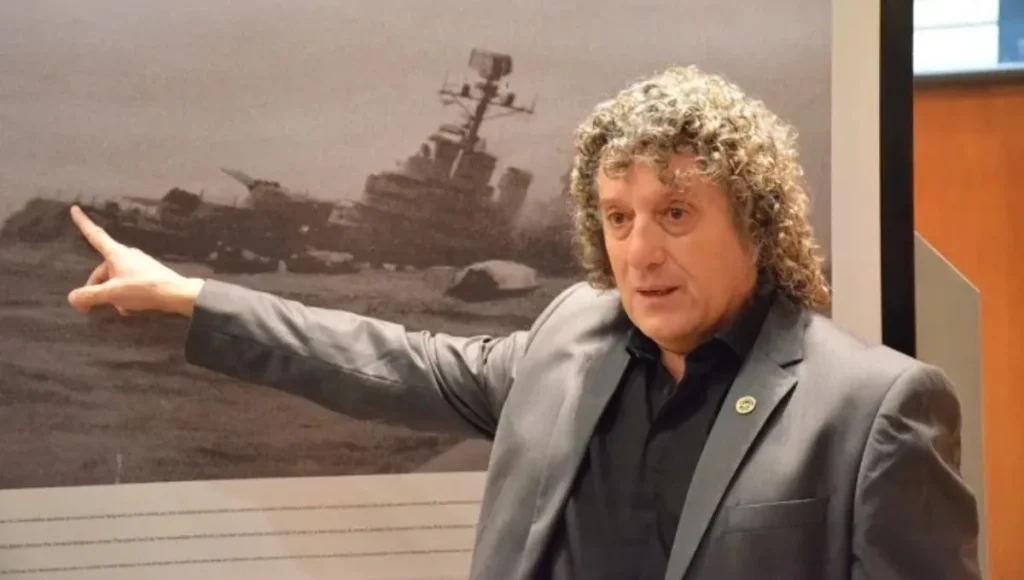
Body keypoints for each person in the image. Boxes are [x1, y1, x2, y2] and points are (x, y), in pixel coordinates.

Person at [66, 65, 980, 580]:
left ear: (756, 220)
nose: (639, 254)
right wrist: (189, 297)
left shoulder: (876, 409)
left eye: (675, 214)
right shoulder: (569, 335)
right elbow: (388, 360)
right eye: (617, 217)